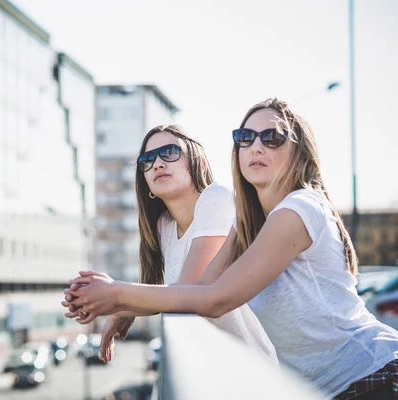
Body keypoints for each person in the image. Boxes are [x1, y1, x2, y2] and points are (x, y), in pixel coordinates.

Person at [63, 99, 398, 399]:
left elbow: (215, 300)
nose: (256, 147)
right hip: (325, 388)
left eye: (272, 138)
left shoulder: (299, 209)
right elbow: (200, 290)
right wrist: (123, 304)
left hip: (370, 375)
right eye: (245, 138)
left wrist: (117, 295)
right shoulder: (247, 224)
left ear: (298, 151)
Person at [66, 124, 277, 364]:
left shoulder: (216, 199)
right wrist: (120, 306)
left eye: (169, 153)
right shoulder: (164, 227)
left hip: (252, 370)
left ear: (200, 163)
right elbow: (174, 294)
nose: (157, 164)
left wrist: (118, 299)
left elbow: (190, 292)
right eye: (147, 160)